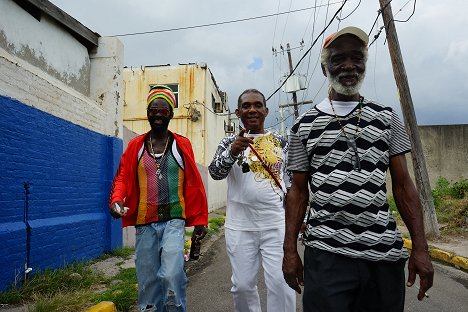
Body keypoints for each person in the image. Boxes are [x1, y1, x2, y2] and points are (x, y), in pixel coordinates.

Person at [282, 26, 434, 311]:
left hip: (383, 253)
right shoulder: (303, 126)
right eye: (339, 59)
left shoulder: (387, 118)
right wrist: (289, 249)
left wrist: (421, 248)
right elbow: (298, 192)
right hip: (326, 253)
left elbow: (403, 186)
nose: (349, 66)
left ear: (364, 63)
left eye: (357, 58)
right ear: (326, 66)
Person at [109, 85, 208, 312]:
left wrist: (200, 219)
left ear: (171, 114)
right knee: (148, 283)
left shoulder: (181, 145)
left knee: (172, 274)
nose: (157, 115)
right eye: (153, 110)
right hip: (144, 224)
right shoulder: (136, 146)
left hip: (174, 220)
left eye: (163, 110)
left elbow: (194, 184)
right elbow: (122, 176)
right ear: (147, 113)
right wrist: (116, 200)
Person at [209, 89, 296, 312]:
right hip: (240, 227)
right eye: (246, 106)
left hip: (275, 225)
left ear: (266, 111)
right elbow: (215, 173)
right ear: (238, 112)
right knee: (242, 286)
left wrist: (299, 218)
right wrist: (231, 152)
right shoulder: (229, 142)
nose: (252, 110)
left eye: (257, 105)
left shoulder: (281, 141)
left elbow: (291, 184)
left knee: (281, 283)